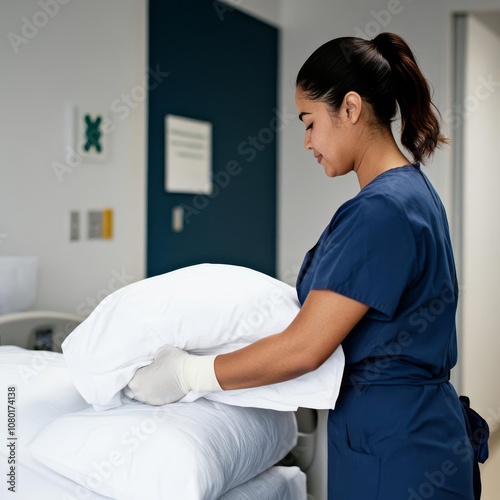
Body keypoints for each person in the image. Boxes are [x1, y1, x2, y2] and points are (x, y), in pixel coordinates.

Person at [128, 33, 488, 499]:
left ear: (351, 109)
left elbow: (304, 348)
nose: (306, 141)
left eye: (310, 122)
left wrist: (187, 375)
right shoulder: (411, 193)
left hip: (395, 449)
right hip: (409, 432)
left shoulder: (382, 211)